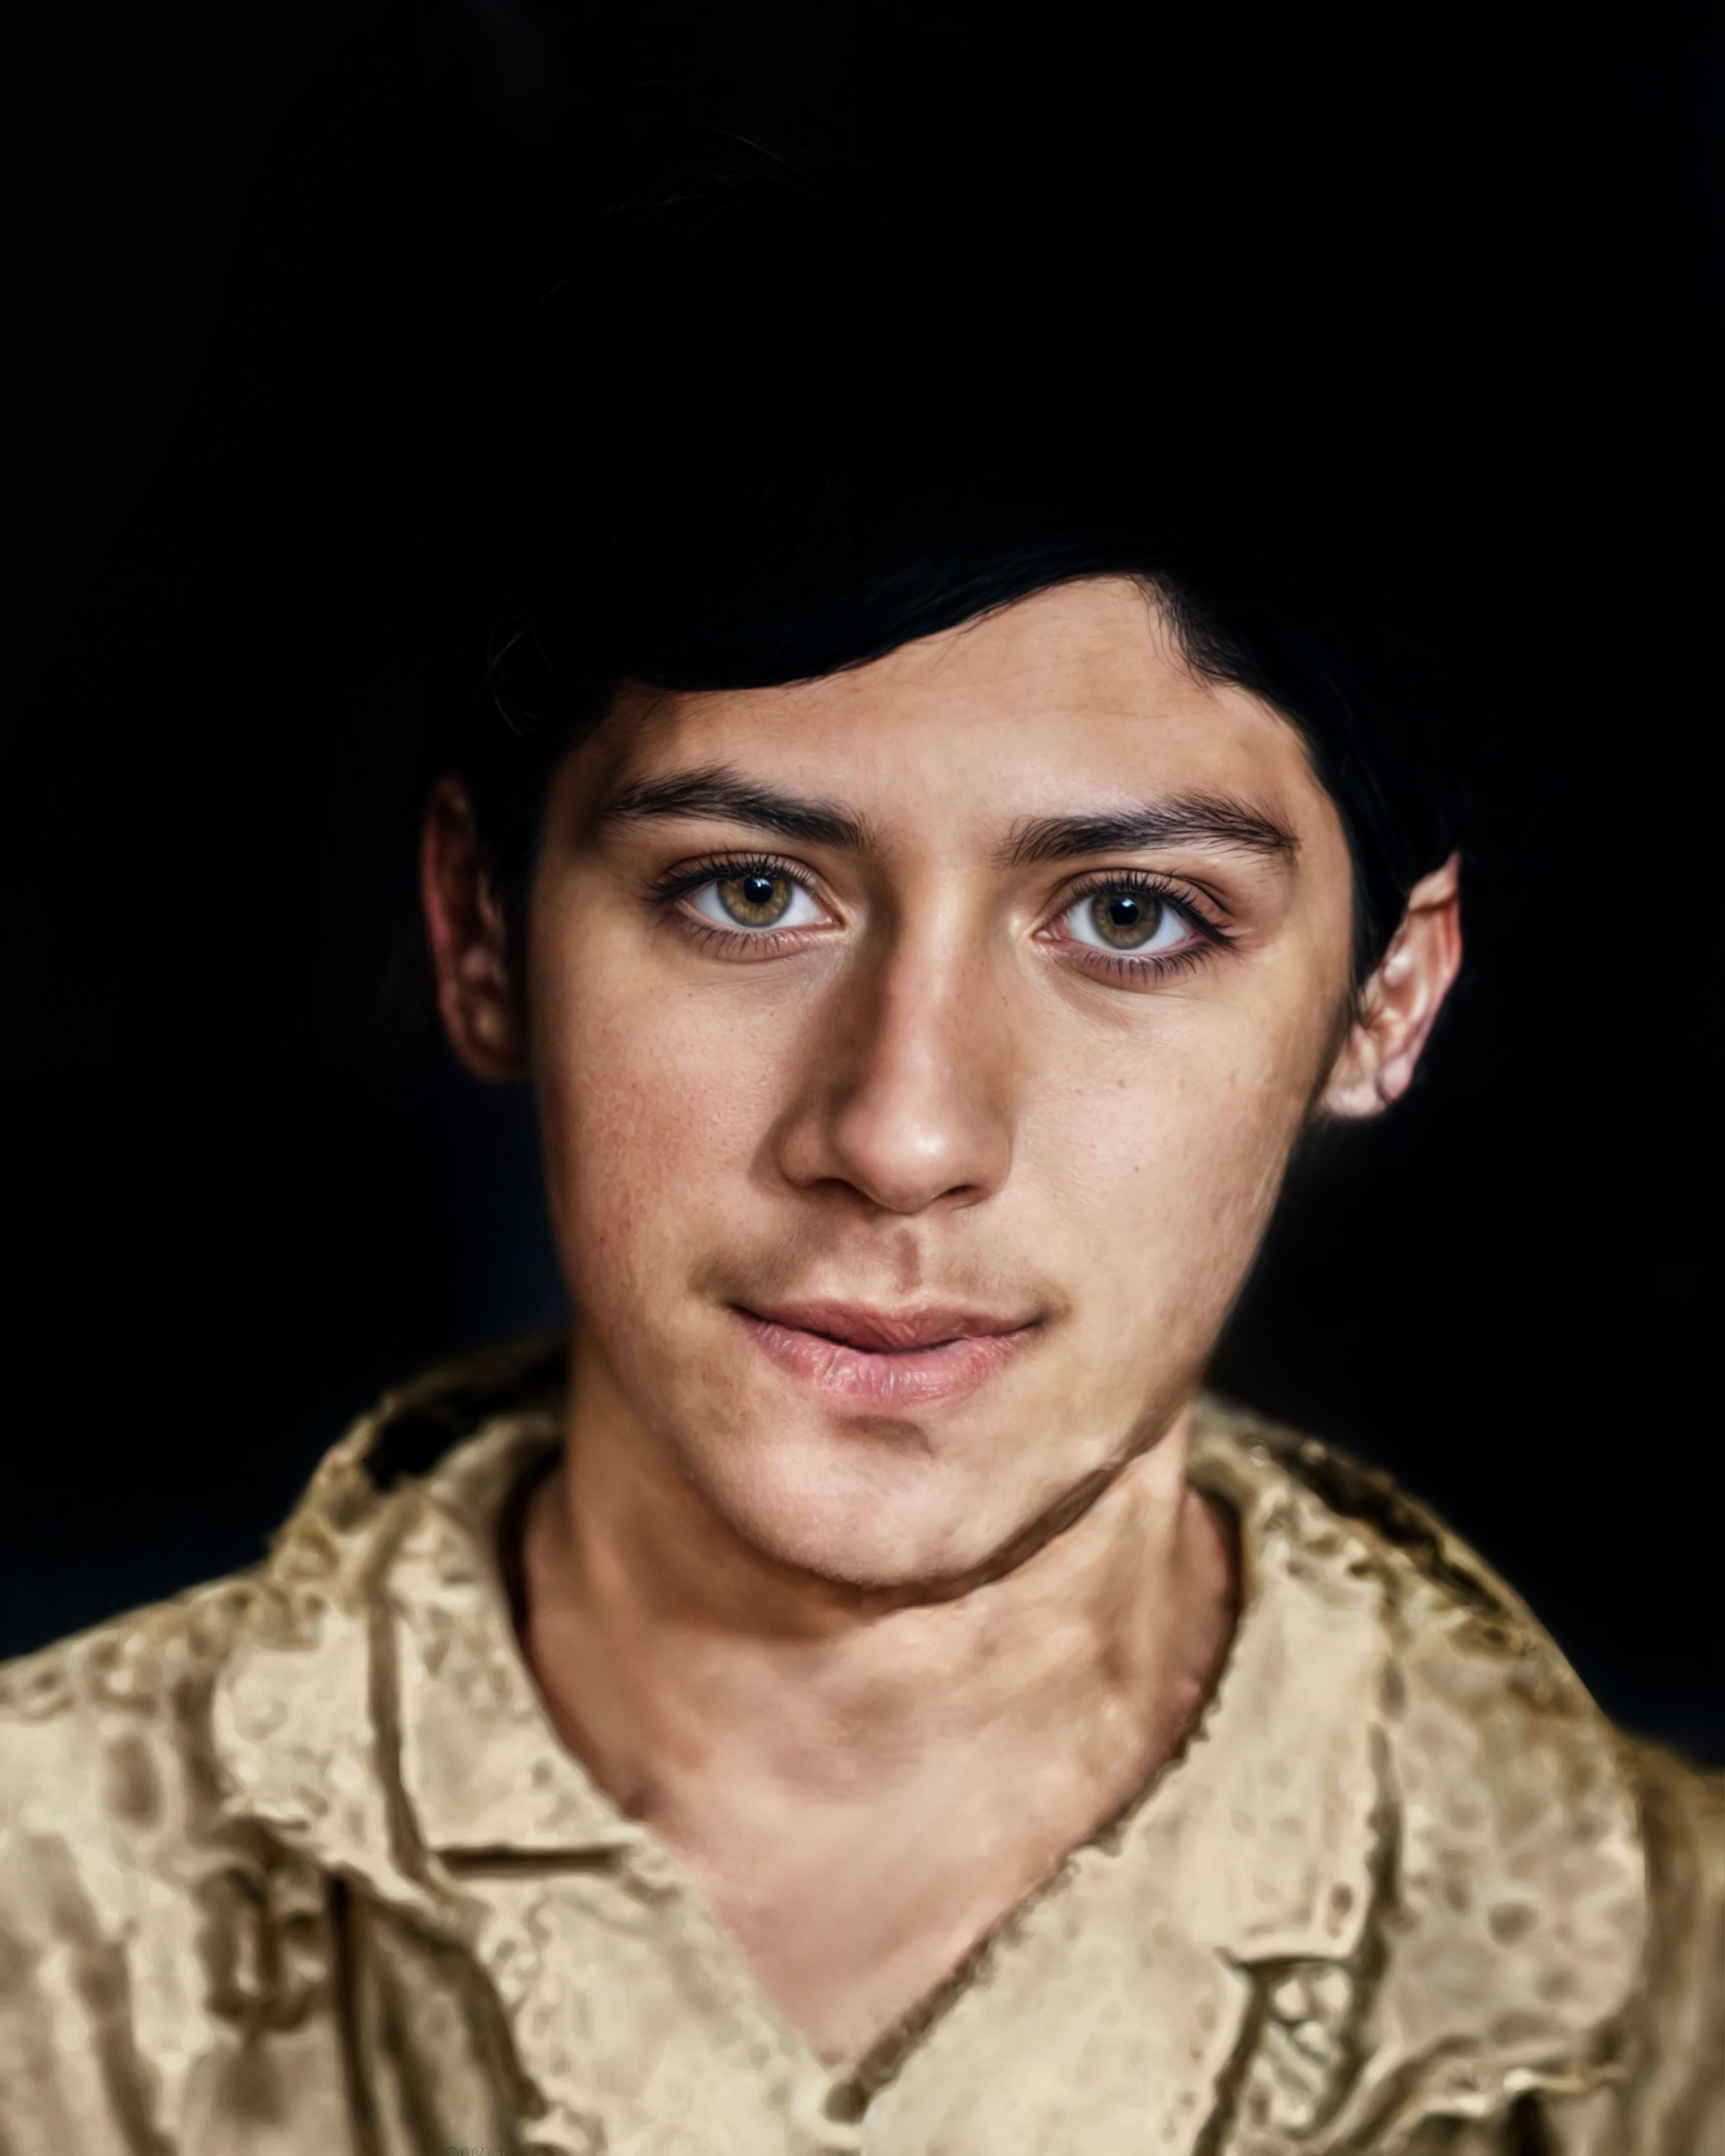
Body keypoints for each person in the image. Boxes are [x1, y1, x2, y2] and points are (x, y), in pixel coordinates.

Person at [1, 124, 1719, 2156]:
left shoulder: (1674, 2011)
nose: (900, 1134)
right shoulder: (43, 1920)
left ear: (1387, 998)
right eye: (747, 893)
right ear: (479, 935)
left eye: (1129, 917)